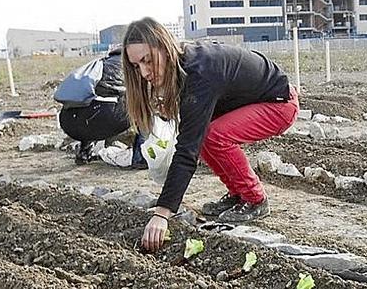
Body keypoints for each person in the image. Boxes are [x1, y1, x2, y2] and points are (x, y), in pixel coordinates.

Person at [122, 17, 299, 251]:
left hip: (280, 104)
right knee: (203, 132)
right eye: (137, 66)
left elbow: (187, 151)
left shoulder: (200, 71)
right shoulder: (185, 64)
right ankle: (238, 194)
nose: (144, 72)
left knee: (213, 135)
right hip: (257, 101)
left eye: (146, 60)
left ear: (163, 46)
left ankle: (255, 199)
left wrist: (162, 213)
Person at [55, 47, 147, 168]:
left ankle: (84, 152)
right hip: (104, 118)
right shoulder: (133, 64)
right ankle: (140, 158)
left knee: (93, 101)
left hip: (68, 123)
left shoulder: (100, 64)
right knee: (145, 105)